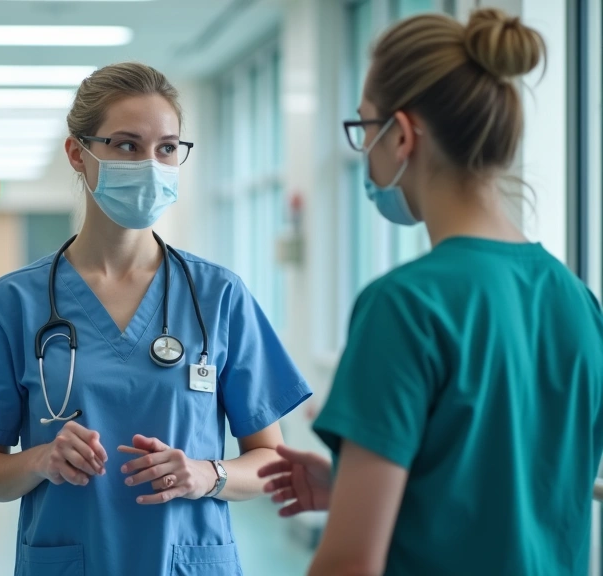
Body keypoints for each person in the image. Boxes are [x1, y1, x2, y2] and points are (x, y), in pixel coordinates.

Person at [258, 8, 603, 576]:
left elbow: (349, 565)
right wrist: (355, 491)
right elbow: (513, 491)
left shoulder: (406, 306)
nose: (365, 153)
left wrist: (353, 517)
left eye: (364, 129)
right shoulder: (576, 300)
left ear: (401, 134)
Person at [0, 61, 312, 576]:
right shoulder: (13, 303)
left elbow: (270, 460)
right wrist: (39, 460)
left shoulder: (218, 296)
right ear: (79, 153)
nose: (151, 164)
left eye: (167, 147)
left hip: (189, 561)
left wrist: (208, 473)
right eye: (127, 145)